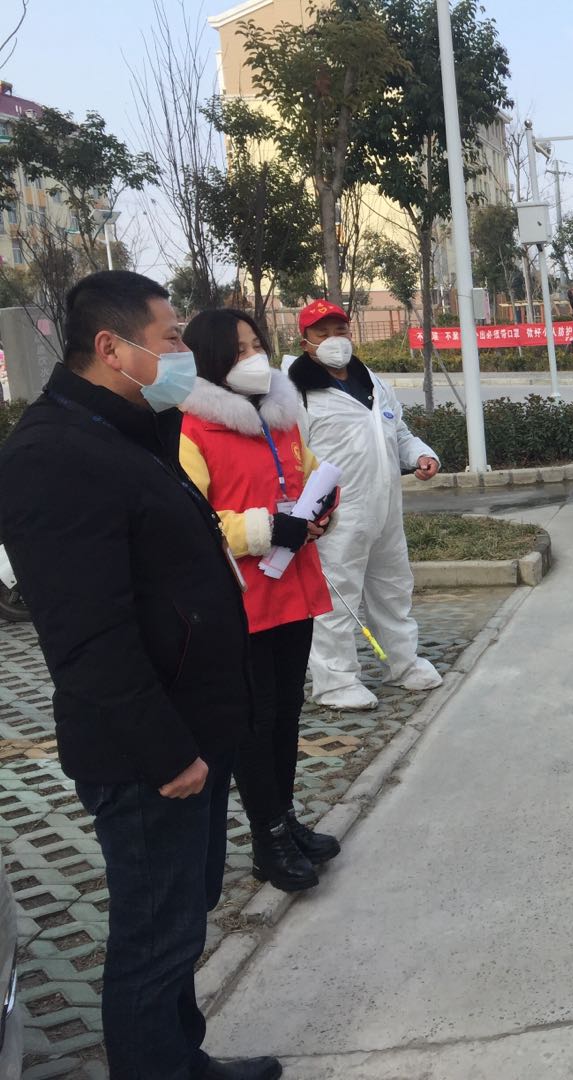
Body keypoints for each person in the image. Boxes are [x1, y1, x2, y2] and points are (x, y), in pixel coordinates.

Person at [0, 271, 281, 1078]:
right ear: (111, 347)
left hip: (194, 728)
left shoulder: (129, 431)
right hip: (149, 752)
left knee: (181, 919)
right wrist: (167, 752)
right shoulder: (53, 455)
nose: (184, 354)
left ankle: (179, 1058)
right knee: (154, 936)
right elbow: (88, 637)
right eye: (170, 339)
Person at [180, 308, 342, 893]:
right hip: (242, 599)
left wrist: (321, 512)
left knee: (288, 712)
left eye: (257, 344)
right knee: (256, 719)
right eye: (239, 349)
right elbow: (191, 523)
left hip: (294, 586)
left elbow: (313, 475)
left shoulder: (281, 417)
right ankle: (267, 837)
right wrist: (265, 528)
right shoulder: (192, 430)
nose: (254, 358)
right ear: (210, 361)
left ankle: (285, 818)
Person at [287, 299, 442, 711]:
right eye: (322, 333)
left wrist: (420, 455)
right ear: (305, 342)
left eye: (340, 330)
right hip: (336, 514)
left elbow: (399, 432)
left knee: (393, 588)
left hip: (385, 507)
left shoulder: (371, 380)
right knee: (336, 598)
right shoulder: (296, 392)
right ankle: (335, 682)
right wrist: (300, 514)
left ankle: (403, 663)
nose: (334, 340)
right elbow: (290, 457)